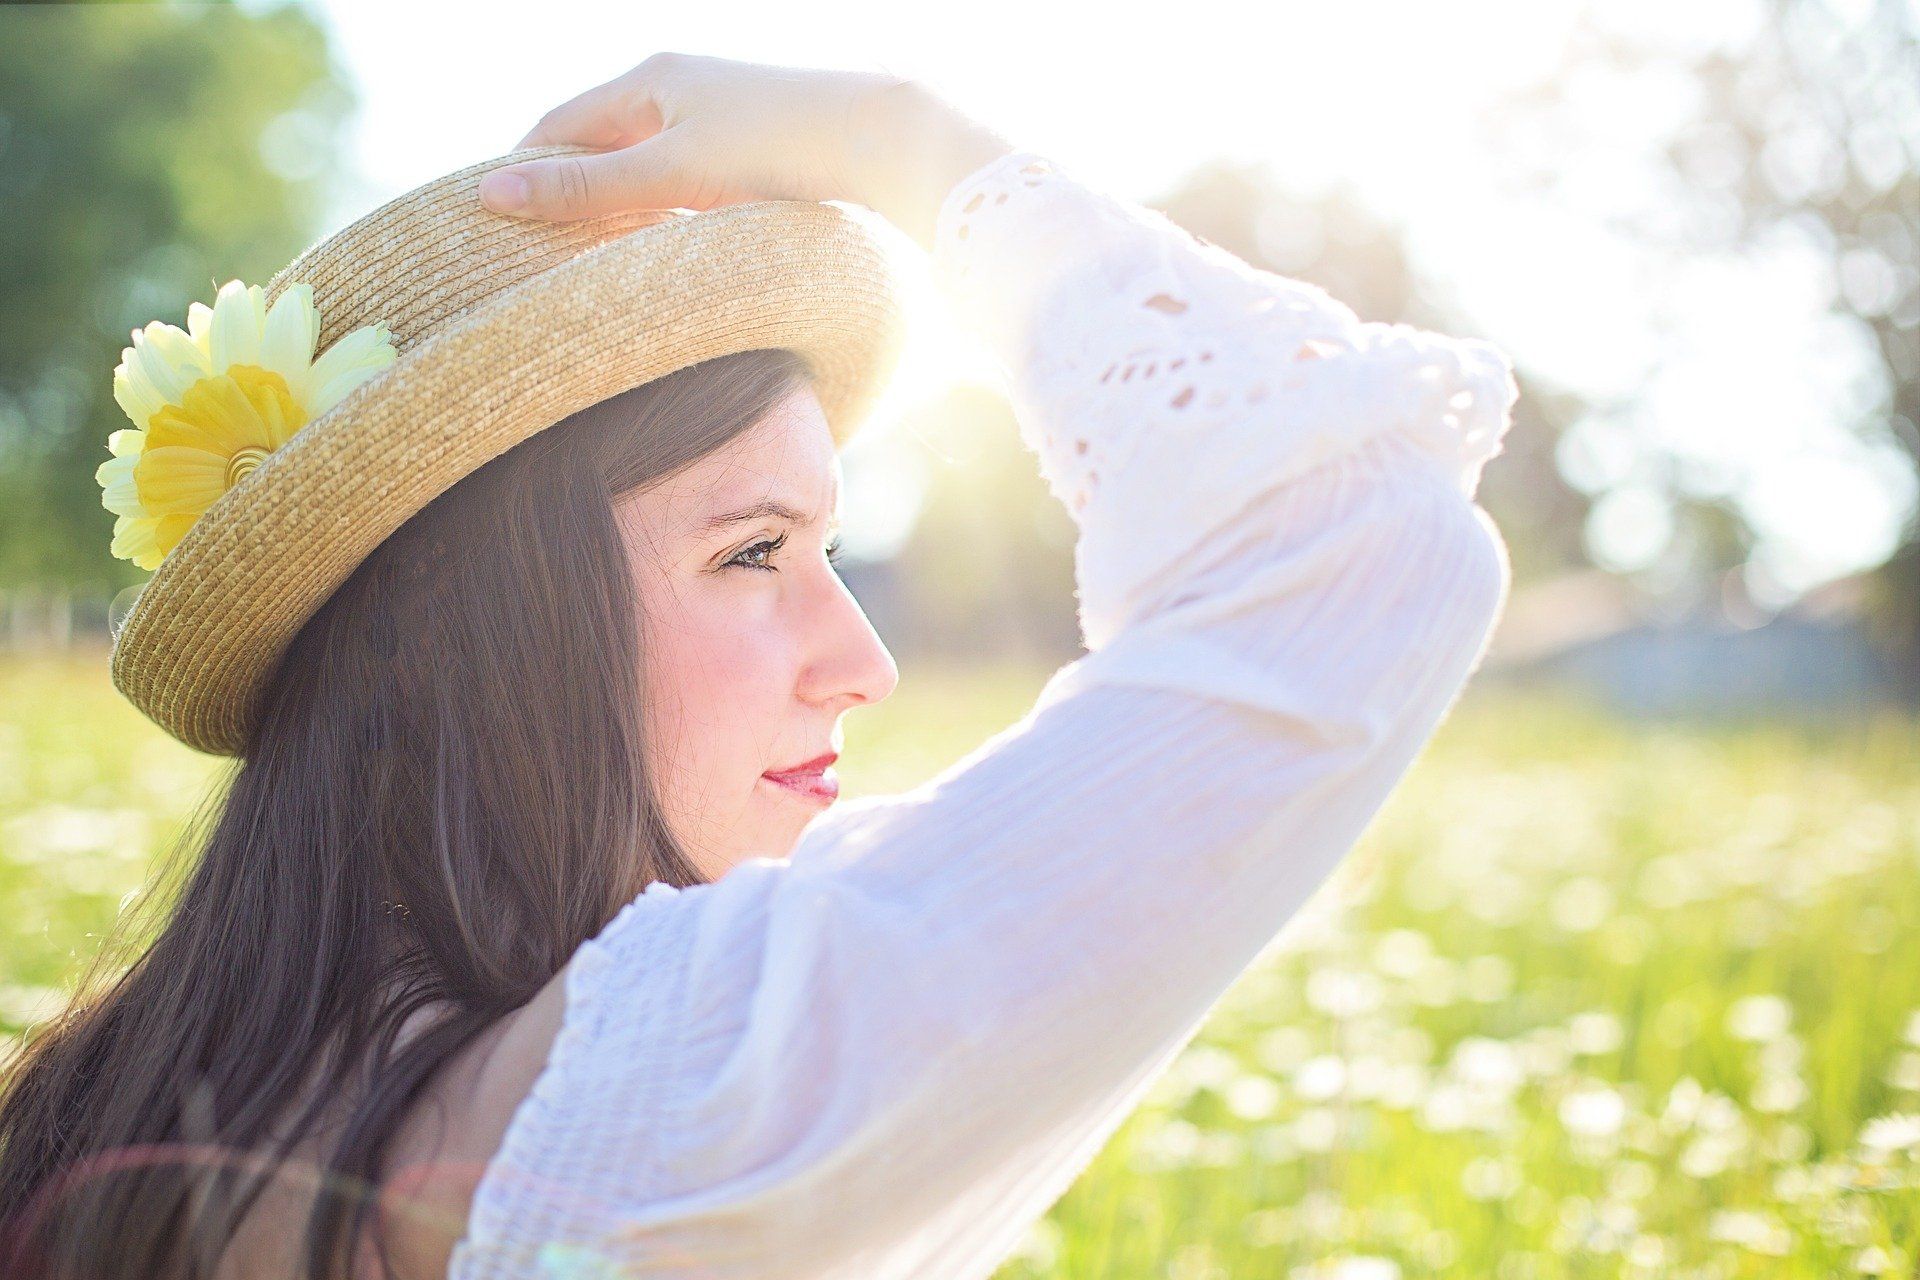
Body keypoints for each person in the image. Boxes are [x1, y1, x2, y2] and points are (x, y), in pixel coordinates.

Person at [0, 54, 1517, 1280]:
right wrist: (899, 138)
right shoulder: (661, 1105)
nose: (860, 665)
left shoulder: (109, 1094)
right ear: (466, 629)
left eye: (833, 556)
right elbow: (1374, 551)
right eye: (751, 554)